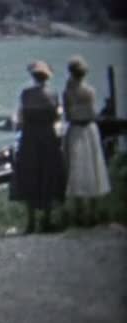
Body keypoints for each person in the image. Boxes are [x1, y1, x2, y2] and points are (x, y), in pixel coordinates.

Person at [11, 60, 66, 233]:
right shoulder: (54, 94)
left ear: (33, 77)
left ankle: (31, 221)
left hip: (29, 139)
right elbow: (58, 117)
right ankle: (47, 219)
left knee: (30, 177)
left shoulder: (25, 94)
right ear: (47, 78)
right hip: (48, 138)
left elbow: (19, 120)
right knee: (48, 176)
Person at [62, 55, 111, 225]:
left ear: (71, 73)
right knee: (93, 169)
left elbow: (67, 116)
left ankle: (78, 212)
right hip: (90, 129)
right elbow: (92, 113)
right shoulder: (90, 91)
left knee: (76, 171)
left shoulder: (67, 92)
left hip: (75, 129)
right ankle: (93, 212)